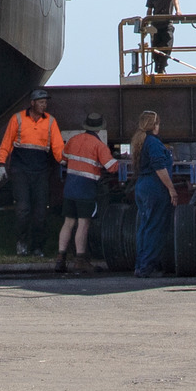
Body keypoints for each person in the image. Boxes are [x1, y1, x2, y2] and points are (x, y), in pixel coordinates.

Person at [0, 89, 64, 257]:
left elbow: (57, 147)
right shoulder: (17, 118)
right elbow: (7, 142)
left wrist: (65, 160)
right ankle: (22, 243)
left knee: (41, 211)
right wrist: (1, 164)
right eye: (41, 102)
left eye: (45, 102)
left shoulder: (50, 121)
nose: (44, 105)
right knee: (23, 209)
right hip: (21, 170)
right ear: (32, 103)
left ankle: (37, 247)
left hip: (40, 171)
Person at [56, 111, 119, 274]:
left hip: (70, 187)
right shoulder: (98, 145)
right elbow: (112, 167)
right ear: (99, 129)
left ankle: (60, 259)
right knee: (83, 224)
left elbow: (63, 160)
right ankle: (80, 260)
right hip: (86, 190)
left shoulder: (73, 140)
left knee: (68, 223)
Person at [131, 109, 178, 278]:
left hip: (143, 185)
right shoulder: (153, 142)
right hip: (155, 187)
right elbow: (159, 166)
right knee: (155, 228)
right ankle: (146, 266)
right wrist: (171, 189)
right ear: (154, 125)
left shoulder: (140, 141)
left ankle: (141, 265)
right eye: (158, 123)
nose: (159, 126)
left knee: (145, 227)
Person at [143, 0, 181, 75]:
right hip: (155, 23)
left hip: (167, 23)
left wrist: (178, 11)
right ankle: (157, 65)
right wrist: (147, 22)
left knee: (167, 43)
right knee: (155, 45)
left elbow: (175, 1)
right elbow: (149, 10)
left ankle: (162, 66)